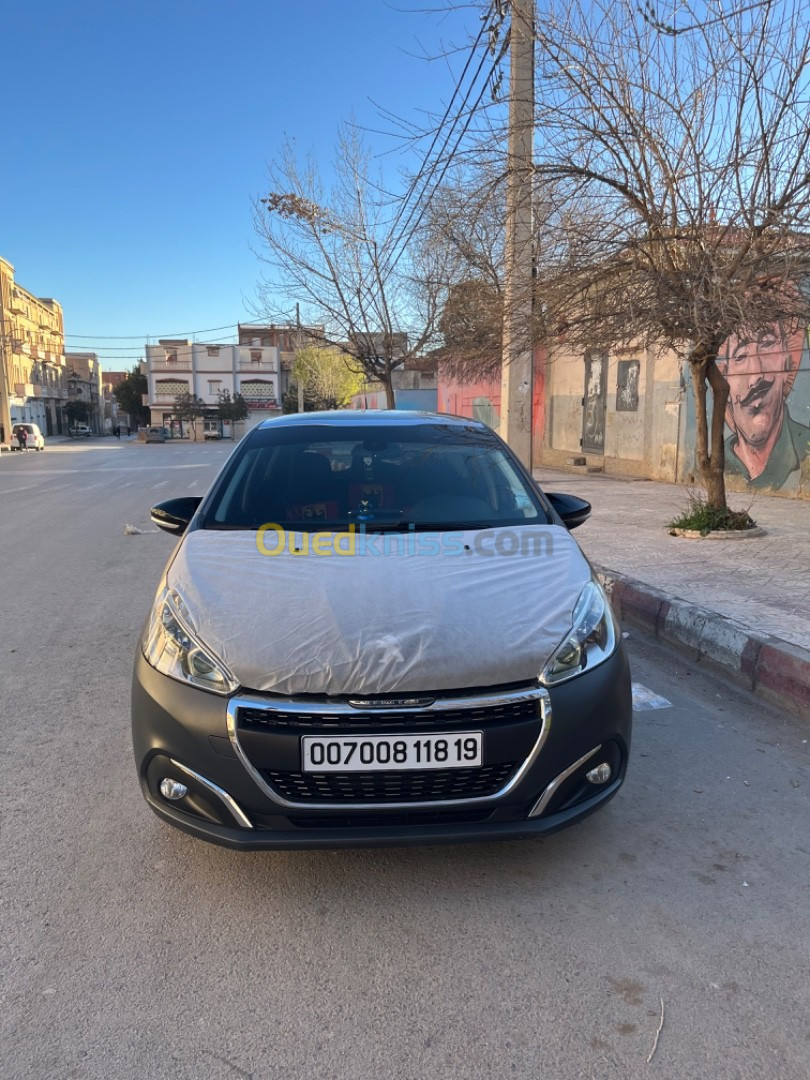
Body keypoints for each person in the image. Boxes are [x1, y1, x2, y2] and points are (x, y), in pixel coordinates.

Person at [718, 321, 810, 490]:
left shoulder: (806, 449)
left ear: (787, 363)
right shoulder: (715, 460)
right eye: (740, 356)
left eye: (767, 344)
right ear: (725, 381)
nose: (756, 376)